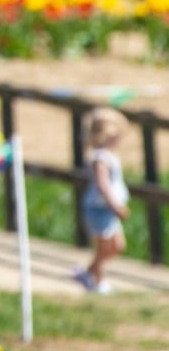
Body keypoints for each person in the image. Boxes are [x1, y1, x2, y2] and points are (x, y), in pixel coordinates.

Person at [74, 106, 130, 295]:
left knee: (117, 246)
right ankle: (99, 281)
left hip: (107, 208)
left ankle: (88, 272)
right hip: (101, 208)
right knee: (103, 247)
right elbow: (103, 184)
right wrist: (115, 206)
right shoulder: (101, 159)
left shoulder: (109, 156)